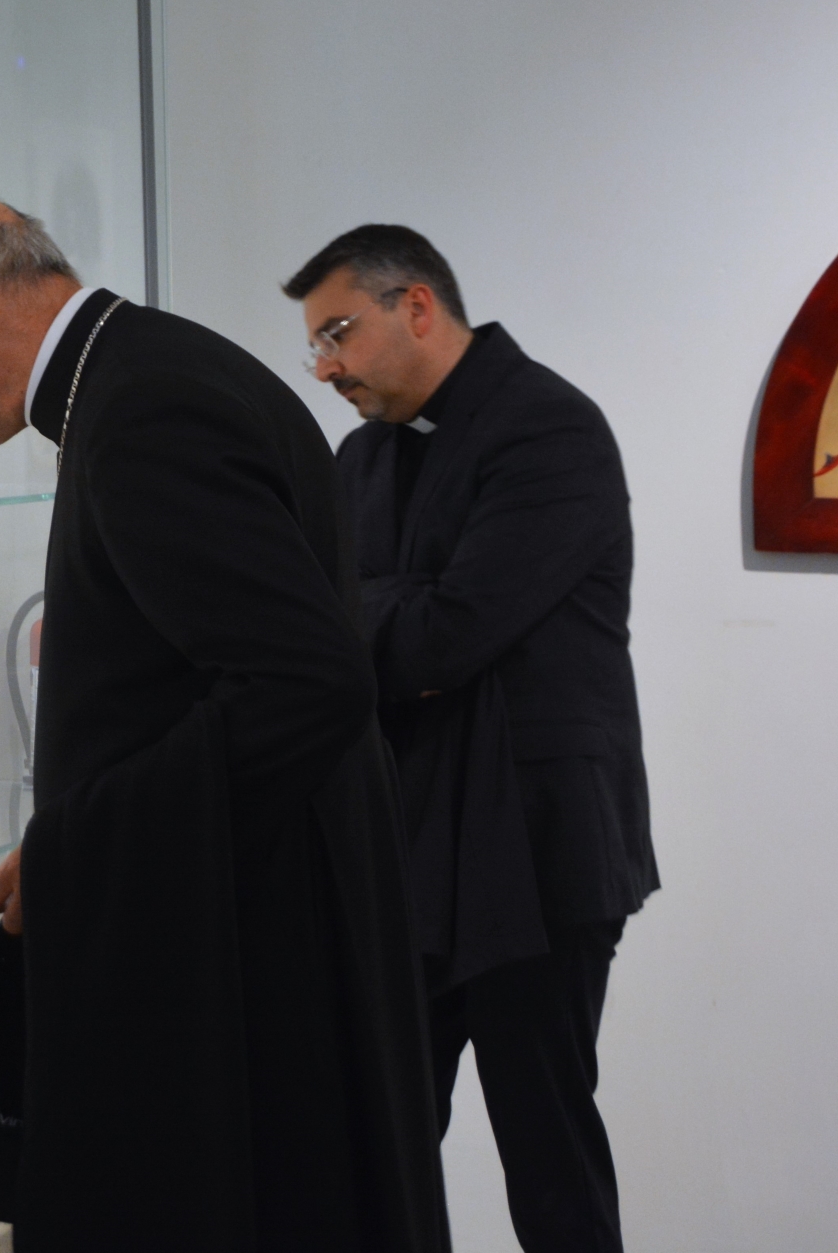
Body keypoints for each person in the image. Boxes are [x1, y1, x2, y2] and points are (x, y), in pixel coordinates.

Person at [0, 192, 448, 1253]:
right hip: (267, 918)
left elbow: (306, 687)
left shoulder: (142, 410)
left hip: (250, 964)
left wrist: (76, 845)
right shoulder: (150, 371)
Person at [284, 225, 659, 1253]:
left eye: (337, 333)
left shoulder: (551, 428)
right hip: (406, 840)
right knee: (378, 1142)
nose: (324, 367)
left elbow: (445, 635)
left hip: (536, 850)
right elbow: (327, 628)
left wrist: (379, 613)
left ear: (417, 305)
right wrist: (396, 613)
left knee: (547, 1146)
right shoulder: (360, 457)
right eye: (313, 345)